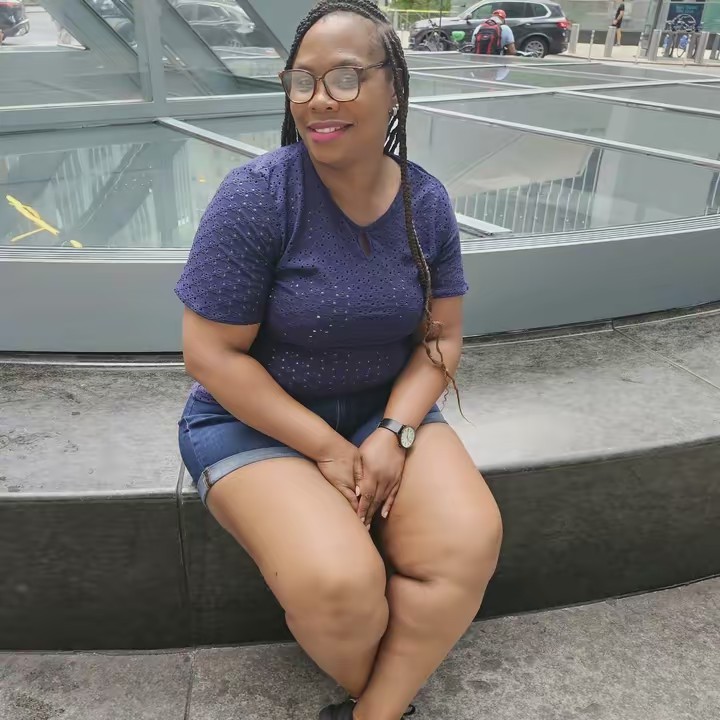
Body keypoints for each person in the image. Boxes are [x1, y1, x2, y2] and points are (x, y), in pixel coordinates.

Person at [175, 1, 502, 719]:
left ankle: (375, 712)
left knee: (467, 545)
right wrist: (327, 448)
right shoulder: (258, 196)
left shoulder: (424, 200)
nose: (319, 99)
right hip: (250, 424)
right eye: (303, 80)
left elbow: (441, 339)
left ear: (394, 85)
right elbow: (210, 355)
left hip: (382, 410)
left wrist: (395, 431)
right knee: (339, 587)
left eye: (347, 77)